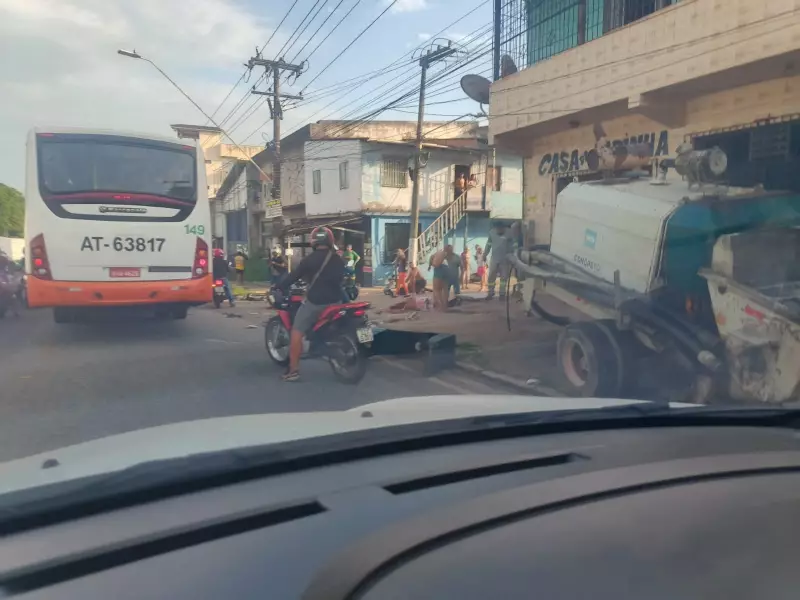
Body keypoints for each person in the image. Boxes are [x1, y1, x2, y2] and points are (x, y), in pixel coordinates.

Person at [277, 226, 345, 382]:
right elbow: (341, 279)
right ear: (330, 240)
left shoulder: (309, 260)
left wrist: (280, 286)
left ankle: (293, 371)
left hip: (316, 303)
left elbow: (293, 276)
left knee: (296, 331)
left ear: (313, 241)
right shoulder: (337, 259)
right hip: (337, 301)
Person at [484, 222, 513, 299]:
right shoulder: (492, 232)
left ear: (504, 228)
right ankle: (490, 292)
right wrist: (485, 254)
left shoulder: (509, 233)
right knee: (491, 276)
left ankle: (502, 294)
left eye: (501, 228)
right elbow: (488, 244)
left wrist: (512, 256)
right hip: (494, 258)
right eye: (498, 228)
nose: (499, 230)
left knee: (504, 277)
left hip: (505, 259)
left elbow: (512, 245)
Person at [428, 247, 449, 311]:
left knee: (437, 289)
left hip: (439, 270)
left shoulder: (438, 254)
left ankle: (440, 304)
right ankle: (444, 304)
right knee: (444, 289)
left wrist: (431, 264)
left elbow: (435, 263)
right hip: (446, 269)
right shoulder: (446, 255)